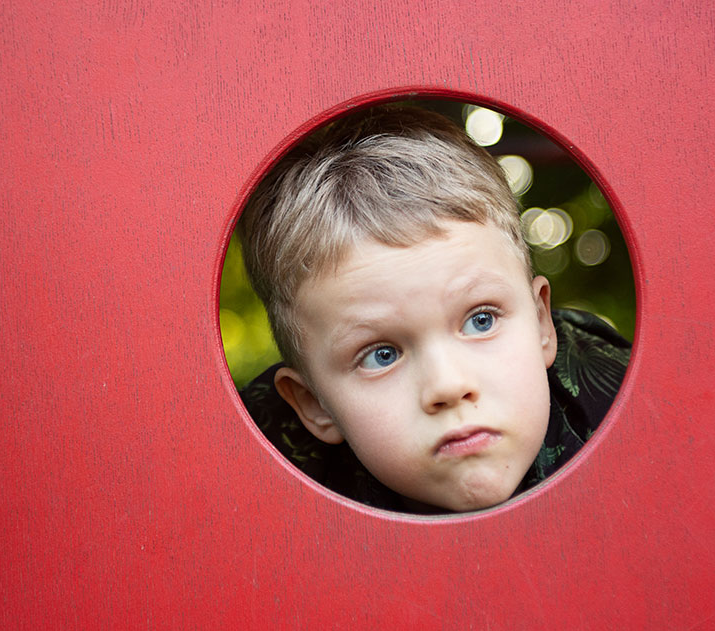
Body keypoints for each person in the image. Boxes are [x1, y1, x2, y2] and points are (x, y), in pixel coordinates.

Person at [236, 106, 630, 514]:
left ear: (542, 324)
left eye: (481, 320)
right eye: (381, 355)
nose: (448, 385)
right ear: (314, 404)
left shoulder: (617, 400)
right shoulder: (263, 495)